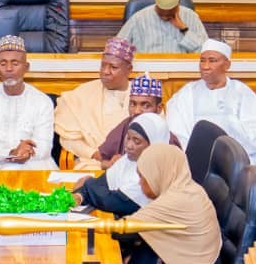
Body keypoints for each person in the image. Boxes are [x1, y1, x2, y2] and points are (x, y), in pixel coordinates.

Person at [166, 39, 256, 233]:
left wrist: (232, 126)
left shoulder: (241, 93)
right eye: (202, 61)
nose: (205, 67)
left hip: (240, 153)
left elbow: (254, 130)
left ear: (227, 64)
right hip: (200, 158)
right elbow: (178, 130)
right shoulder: (188, 94)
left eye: (212, 61)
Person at [0, 35, 58, 171]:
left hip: (32, 164)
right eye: (3, 64)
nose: (9, 69)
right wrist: (11, 152)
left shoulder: (42, 102)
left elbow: (45, 146)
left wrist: (25, 153)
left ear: (26, 67)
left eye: (15, 63)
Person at [54, 37, 134, 170]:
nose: (105, 72)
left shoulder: (142, 96)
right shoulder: (82, 94)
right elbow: (68, 139)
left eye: (113, 67)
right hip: (93, 163)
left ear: (129, 69)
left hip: (133, 165)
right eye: (103, 65)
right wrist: (95, 154)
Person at [73, 112, 174, 217]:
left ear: (153, 145)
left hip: (145, 231)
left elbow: (110, 202)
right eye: (128, 138)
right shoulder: (127, 161)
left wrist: (87, 183)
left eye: (137, 141)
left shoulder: (156, 171)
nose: (129, 146)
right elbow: (101, 184)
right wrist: (81, 194)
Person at [96, 73, 182, 164]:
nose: (137, 111)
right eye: (133, 104)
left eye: (145, 105)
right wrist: (111, 164)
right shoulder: (127, 124)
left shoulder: (168, 138)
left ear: (159, 108)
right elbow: (102, 158)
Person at [117, 0, 209, 54]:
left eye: (169, 13)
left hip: (182, 69)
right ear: (156, 4)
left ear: (178, 4)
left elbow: (206, 52)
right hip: (147, 72)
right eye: (161, 12)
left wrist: (184, 29)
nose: (165, 17)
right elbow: (117, 48)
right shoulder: (139, 18)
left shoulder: (191, 17)